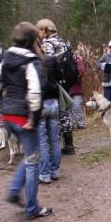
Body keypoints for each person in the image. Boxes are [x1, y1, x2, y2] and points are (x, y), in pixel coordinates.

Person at [0, 22, 52, 220]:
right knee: (32, 162)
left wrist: (2, 107)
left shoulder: (6, 59)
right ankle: (32, 208)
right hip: (24, 118)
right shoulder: (31, 62)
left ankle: (13, 190)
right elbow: (36, 92)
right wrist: (34, 118)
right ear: (32, 40)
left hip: (8, 116)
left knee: (31, 156)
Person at [36, 18, 76, 155]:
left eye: (39, 30)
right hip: (67, 81)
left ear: (44, 30)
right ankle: (69, 144)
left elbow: (47, 64)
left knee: (59, 114)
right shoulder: (62, 41)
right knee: (65, 113)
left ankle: (55, 146)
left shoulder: (47, 44)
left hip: (56, 83)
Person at [38, 42, 62, 184]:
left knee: (41, 141)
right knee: (54, 139)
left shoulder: (31, 62)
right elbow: (60, 77)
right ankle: (55, 171)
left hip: (39, 104)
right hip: (53, 102)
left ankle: (45, 174)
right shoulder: (52, 59)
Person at [69, 50, 86, 129]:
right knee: (67, 108)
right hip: (66, 88)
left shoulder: (78, 60)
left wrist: (79, 60)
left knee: (77, 106)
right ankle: (70, 124)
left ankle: (80, 123)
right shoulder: (60, 60)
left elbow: (81, 71)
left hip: (76, 88)